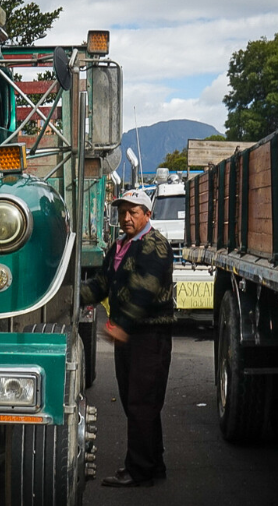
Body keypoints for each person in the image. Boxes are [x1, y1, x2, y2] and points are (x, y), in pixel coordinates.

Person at [80, 188, 175, 488]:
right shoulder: (120, 246)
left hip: (149, 334)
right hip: (129, 337)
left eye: (133, 211)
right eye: (122, 211)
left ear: (148, 214)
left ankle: (138, 469)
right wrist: (69, 297)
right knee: (139, 403)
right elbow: (101, 284)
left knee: (140, 403)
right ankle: (153, 462)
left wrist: (122, 324)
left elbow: (144, 289)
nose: (126, 217)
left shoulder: (155, 244)